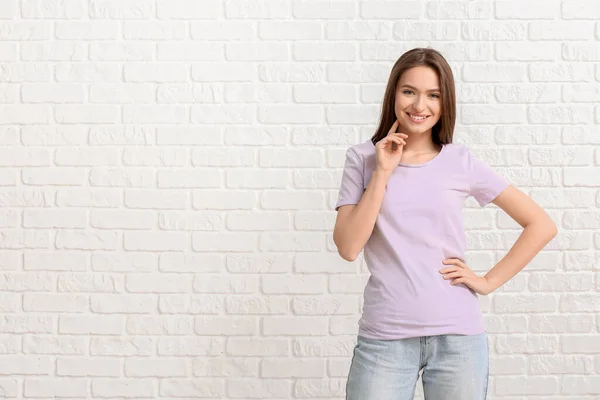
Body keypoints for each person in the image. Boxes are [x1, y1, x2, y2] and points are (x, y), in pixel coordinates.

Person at [333, 48, 558, 400]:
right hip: (384, 338)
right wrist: (382, 173)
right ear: (393, 93)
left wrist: (486, 281)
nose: (419, 105)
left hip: (458, 340)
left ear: (445, 102)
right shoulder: (362, 158)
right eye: (409, 91)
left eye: (433, 95)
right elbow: (348, 247)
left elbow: (540, 224)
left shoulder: (459, 161)